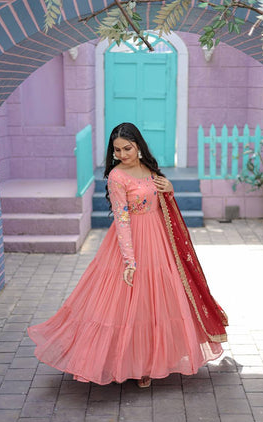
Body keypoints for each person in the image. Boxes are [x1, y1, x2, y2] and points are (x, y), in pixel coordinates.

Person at [28, 122, 228, 388]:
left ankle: (150, 363)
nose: (122, 155)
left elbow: (161, 200)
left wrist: (169, 188)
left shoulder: (149, 168)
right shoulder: (117, 177)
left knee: (158, 300)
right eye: (117, 150)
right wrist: (130, 260)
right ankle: (133, 364)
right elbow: (122, 219)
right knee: (130, 304)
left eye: (127, 148)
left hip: (159, 239)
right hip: (132, 240)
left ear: (138, 146)